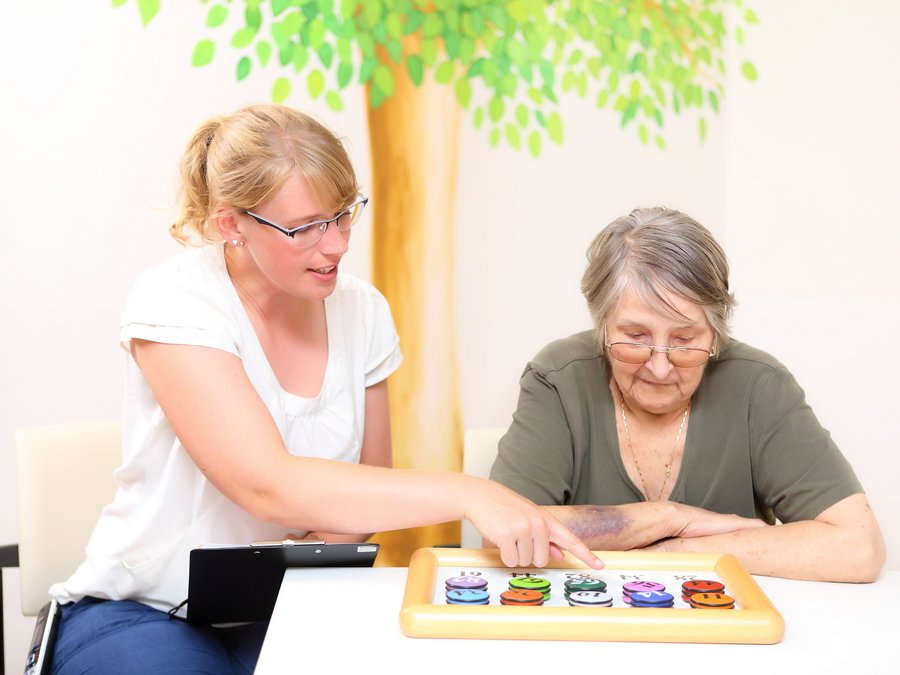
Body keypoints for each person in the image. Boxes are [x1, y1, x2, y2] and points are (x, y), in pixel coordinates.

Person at [48, 104, 601, 675]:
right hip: (145, 611)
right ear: (230, 224)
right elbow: (266, 484)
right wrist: (471, 493)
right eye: (305, 227)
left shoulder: (362, 310)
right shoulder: (176, 302)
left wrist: (315, 544)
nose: (336, 245)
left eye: (343, 215)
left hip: (294, 601)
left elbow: (370, 486)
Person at [490, 206, 885, 583]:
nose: (660, 367)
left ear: (716, 331)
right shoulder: (558, 379)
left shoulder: (759, 386)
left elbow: (858, 547)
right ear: (602, 326)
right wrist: (668, 517)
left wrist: (671, 553)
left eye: (684, 339)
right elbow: (502, 530)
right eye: (635, 337)